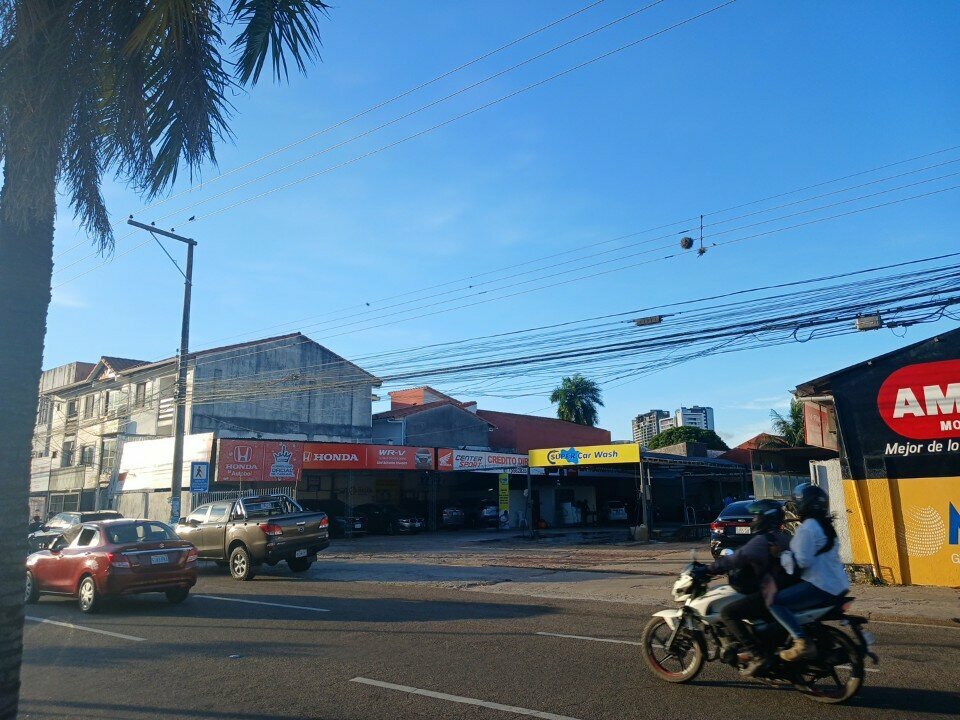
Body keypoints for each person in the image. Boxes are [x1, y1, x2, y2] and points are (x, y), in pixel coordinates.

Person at [705, 499, 790, 676]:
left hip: (769, 593)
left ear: (765, 518)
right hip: (782, 589)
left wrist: (708, 569)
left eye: (757, 515)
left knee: (728, 613)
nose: (753, 520)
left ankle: (757, 655)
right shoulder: (782, 537)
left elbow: (735, 559)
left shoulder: (762, 541)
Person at [769, 483, 850, 662]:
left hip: (820, 585)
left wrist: (780, 554)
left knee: (773, 601)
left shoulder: (807, 528)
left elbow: (800, 562)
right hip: (839, 584)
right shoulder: (826, 526)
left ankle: (801, 641)